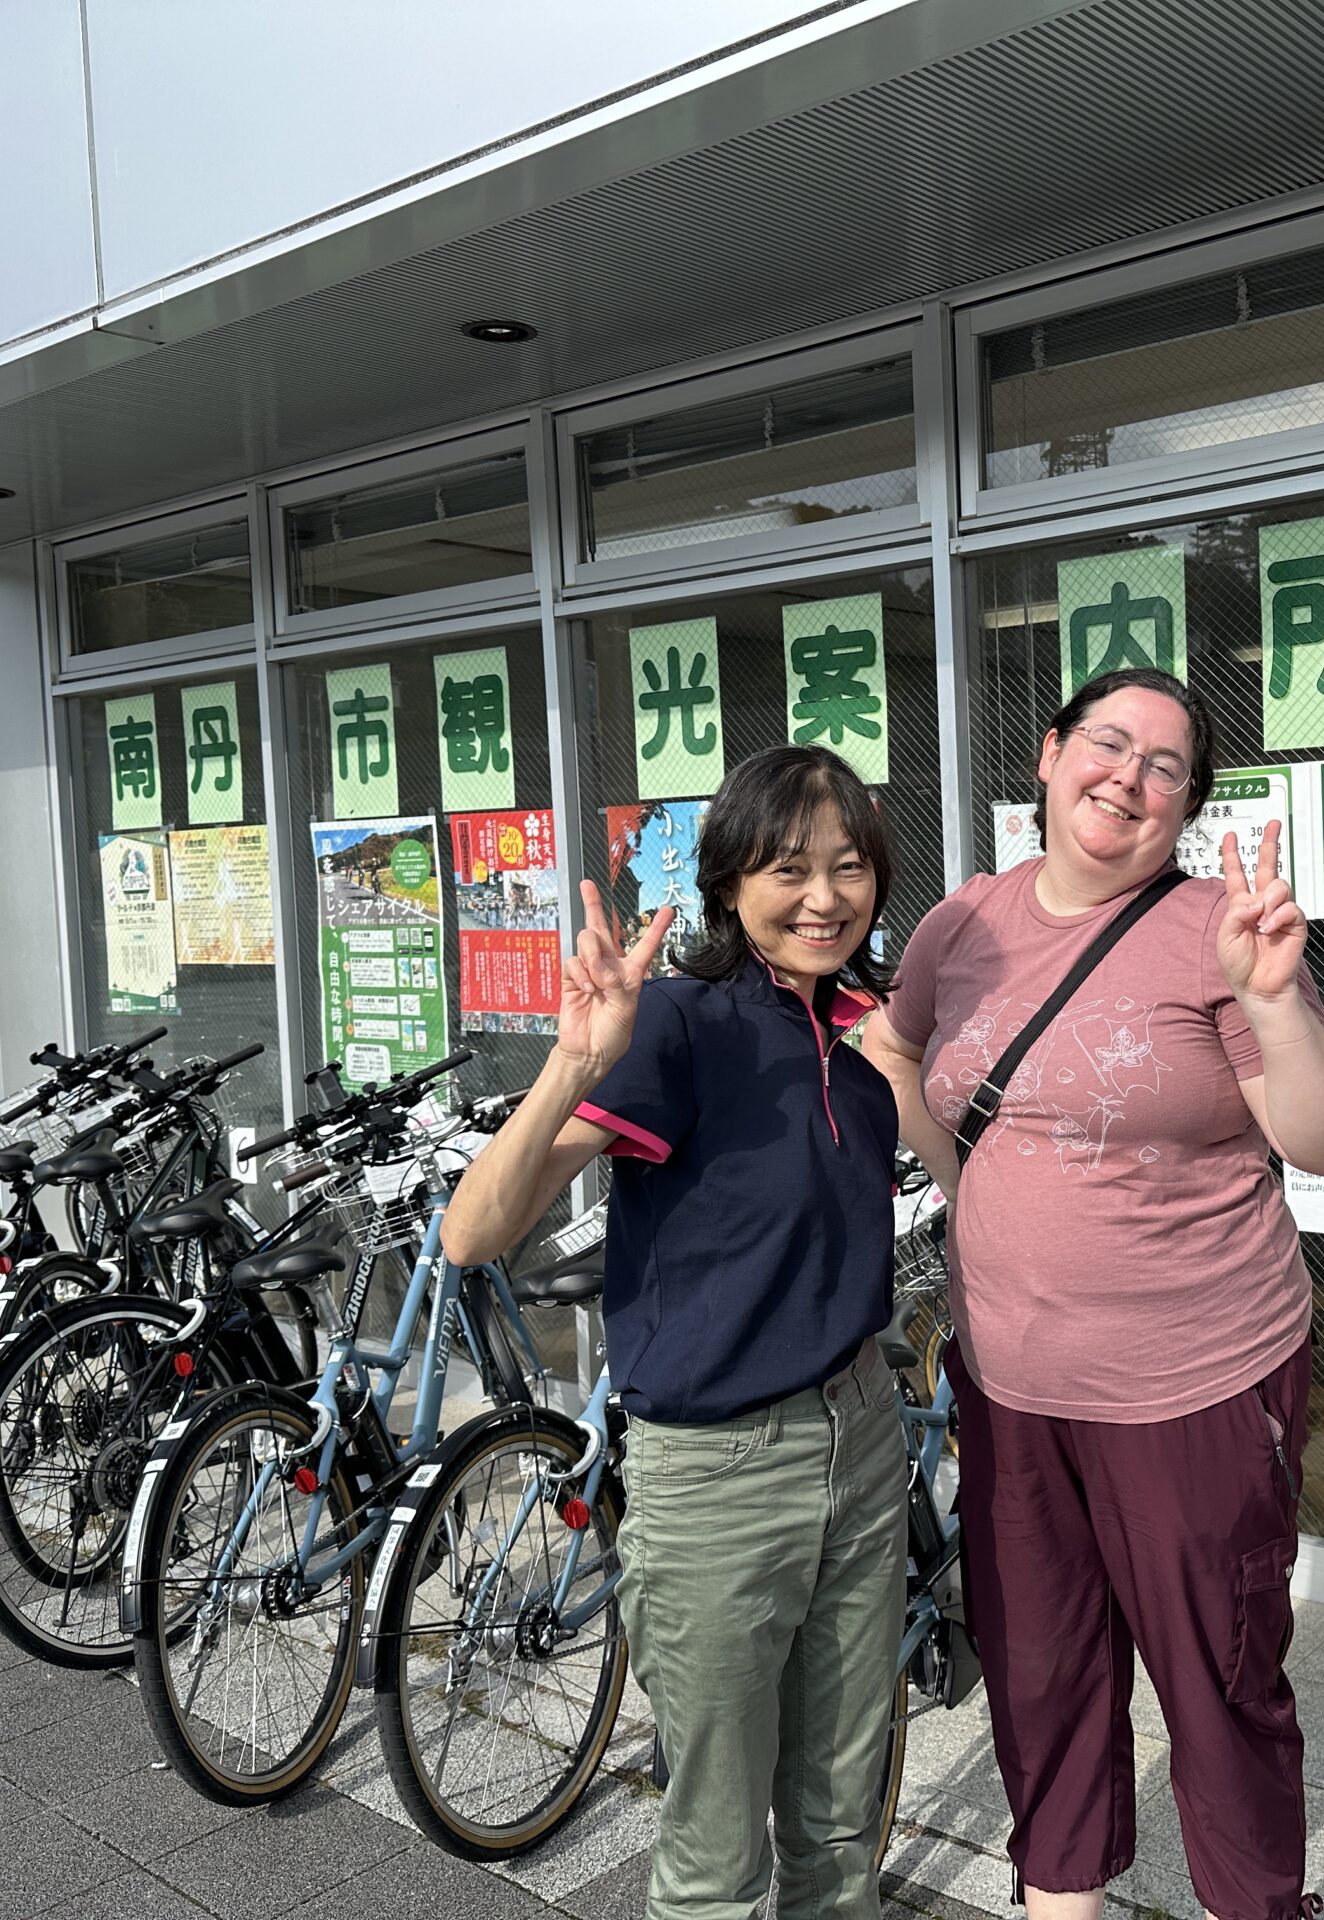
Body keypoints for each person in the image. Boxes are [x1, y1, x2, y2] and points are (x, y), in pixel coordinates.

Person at [867, 667, 1324, 1920]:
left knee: (1221, 1684)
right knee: (1041, 1678)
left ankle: (1255, 1906)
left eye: (1166, 768)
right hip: (1009, 1381)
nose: (1129, 778)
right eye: (1109, 743)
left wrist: (1270, 999)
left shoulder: (1218, 926)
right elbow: (898, 1049)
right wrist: (967, 1191)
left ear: (1186, 806)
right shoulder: (962, 925)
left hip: (1194, 1382)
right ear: (1046, 756)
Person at [442, 743, 907, 1920]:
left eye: (848, 866)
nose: (823, 896)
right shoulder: (681, 1027)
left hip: (860, 1444)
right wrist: (571, 1062)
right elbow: (475, 1232)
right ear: (729, 881)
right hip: (719, 1477)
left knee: (844, 1824)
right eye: (788, 867)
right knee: (713, 1853)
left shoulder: (855, 1051)